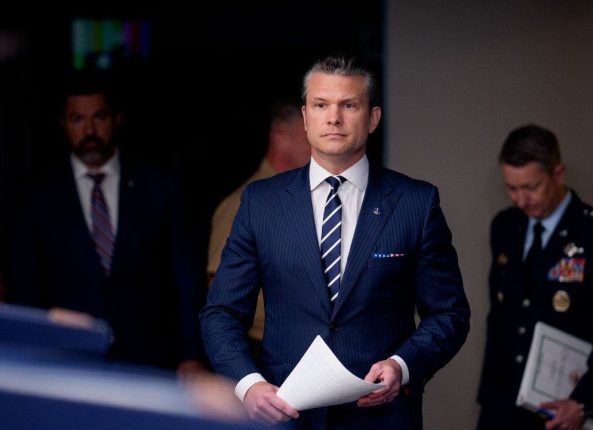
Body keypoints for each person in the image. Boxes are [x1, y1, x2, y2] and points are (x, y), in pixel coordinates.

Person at [200, 55, 470, 429]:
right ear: (305, 117)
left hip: (382, 416)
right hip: (284, 413)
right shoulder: (260, 203)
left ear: (372, 118)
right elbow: (221, 313)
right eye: (321, 105)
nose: (334, 118)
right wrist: (249, 386)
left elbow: (449, 314)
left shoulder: (416, 203)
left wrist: (403, 366)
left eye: (349, 105)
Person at [3, 72, 205, 373]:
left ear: (116, 119)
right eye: (77, 119)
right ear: (63, 124)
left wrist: (191, 355)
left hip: (150, 361)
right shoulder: (36, 197)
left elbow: (186, 278)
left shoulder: (159, 186)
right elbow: (24, 288)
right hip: (65, 362)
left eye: (99, 117)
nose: (89, 130)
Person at [477, 125, 593, 430]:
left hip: (567, 409)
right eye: (512, 188)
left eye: (531, 187)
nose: (520, 200)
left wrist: (585, 401)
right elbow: (501, 318)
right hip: (504, 404)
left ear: (558, 174)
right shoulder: (505, 226)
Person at [206, 97, 309, 347]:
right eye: (309, 135)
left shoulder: (309, 197)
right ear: (282, 136)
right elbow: (220, 294)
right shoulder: (243, 204)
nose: (322, 145)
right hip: (260, 349)